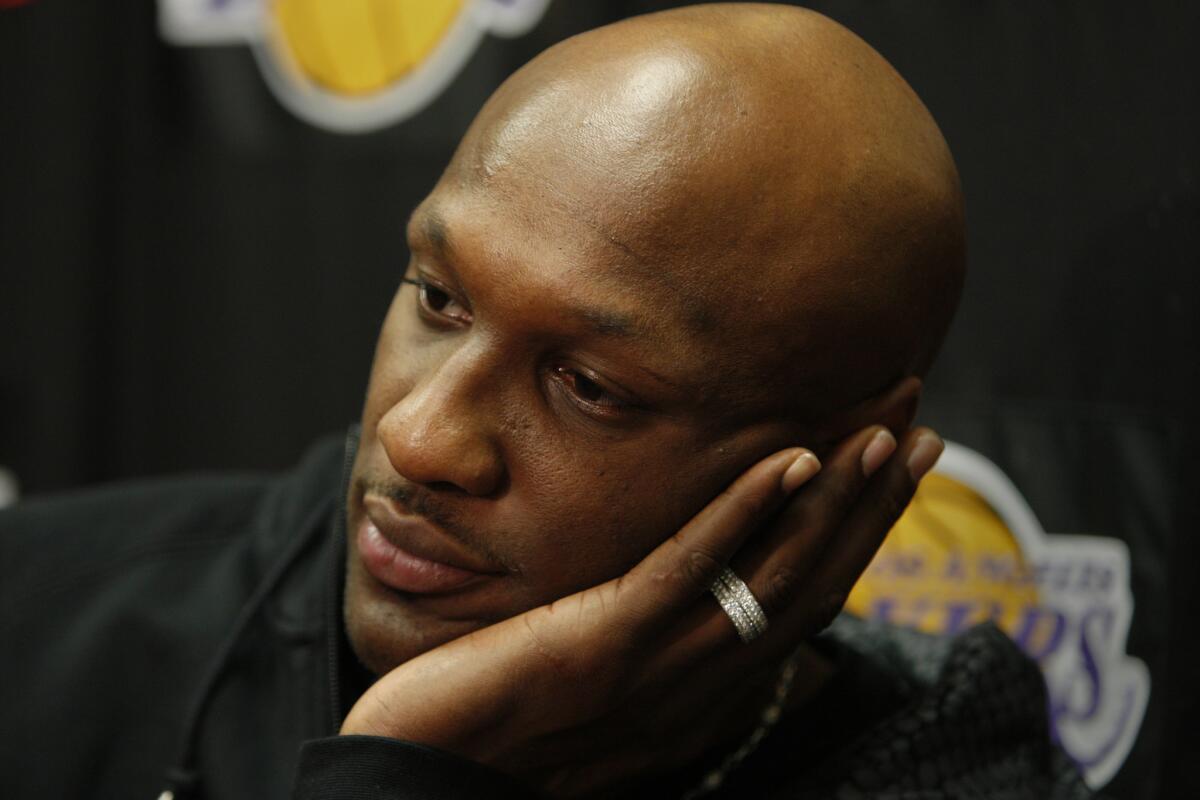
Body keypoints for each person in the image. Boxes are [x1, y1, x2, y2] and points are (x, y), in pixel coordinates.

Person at [0, 4, 1090, 799]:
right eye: (439, 296)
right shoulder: (39, 616)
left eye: (590, 386)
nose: (417, 436)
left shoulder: (939, 767)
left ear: (851, 452)